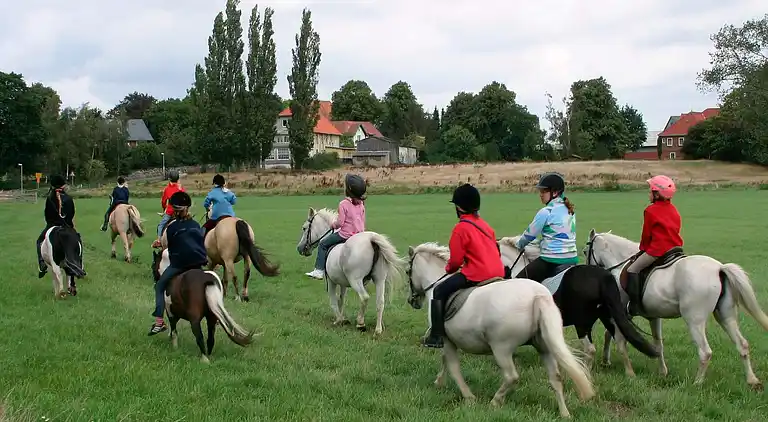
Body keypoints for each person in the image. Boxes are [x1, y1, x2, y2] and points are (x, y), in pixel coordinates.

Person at [422, 183, 505, 349]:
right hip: (498, 271)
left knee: (438, 291)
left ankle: (436, 337)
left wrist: (448, 270)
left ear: (459, 208)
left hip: (477, 274)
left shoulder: (460, 229)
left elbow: (455, 262)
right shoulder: (486, 226)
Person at [148, 191, 209, 335]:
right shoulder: (195, 224)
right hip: (197, 264)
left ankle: (159, 322)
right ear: (188, 208)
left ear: (175, 210)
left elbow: (170, 248)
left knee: (159, 286)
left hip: (179, 265)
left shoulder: (172, 228)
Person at [626, 175, 683, 315]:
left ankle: (635, 306)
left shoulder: (650, 210)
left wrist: (643, 249)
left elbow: (647, 235)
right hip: (675, 249)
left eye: (650, 191)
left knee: (632, 270)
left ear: (657, 194)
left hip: (658, 250)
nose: (648, 194)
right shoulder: (673, 209)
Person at [512, 172, 578, 282]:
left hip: (551, 260)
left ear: (555, 192)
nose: (541, 194)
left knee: (519, 281)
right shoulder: (570, 210)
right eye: (540, 191)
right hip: (572, 259)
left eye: (544, 191)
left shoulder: (546, 212)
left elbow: (529, 235)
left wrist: (519, 245)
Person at [305, 174, 367, 280]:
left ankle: (319, 271)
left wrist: (334, 224)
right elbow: (362, 220)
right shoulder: (361, 204)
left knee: (323, 244)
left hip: (345, 235)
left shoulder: (343, 204)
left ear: (348, 190)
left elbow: (340, 223)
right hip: (359, 234)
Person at [36, 174, 76, 278]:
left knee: (39, 241)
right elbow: (72, 214)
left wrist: (51, 222)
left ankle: (42, 264)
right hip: (67, 227)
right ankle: (78, 264)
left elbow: (47, 215)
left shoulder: (50, 198)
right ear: (63, 185)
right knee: (77, 241)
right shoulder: (69, 198)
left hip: (52, 226)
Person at [152, 170, 184, 248]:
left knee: (161, 225)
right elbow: (184, 197)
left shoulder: (167, 189)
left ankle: (159, 241)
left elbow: (163, 201)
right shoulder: (180, 188)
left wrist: (164, 208)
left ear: (169, 179)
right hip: (181, 211)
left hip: (170, 212)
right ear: (178, 179)